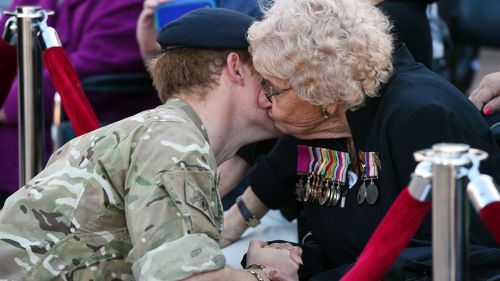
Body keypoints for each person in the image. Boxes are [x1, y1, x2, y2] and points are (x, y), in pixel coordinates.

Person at [0, 8, 302, 281]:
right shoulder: (174, 142)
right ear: (236, 68)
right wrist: (265, 272)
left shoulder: (161, 132)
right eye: (269, 67)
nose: (282, 83)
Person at [222, 0, 500, 279]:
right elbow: (341, 246)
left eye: (271, 88)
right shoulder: (326, 121)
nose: (262, 100)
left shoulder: (422, 118)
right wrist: (284, 258)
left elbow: (439, 262)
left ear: (323, 93)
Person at [0, 0, 159, 205]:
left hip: (87, 135)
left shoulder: (126, 6)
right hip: (30, 122)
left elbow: (89, 68)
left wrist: (6, 105)